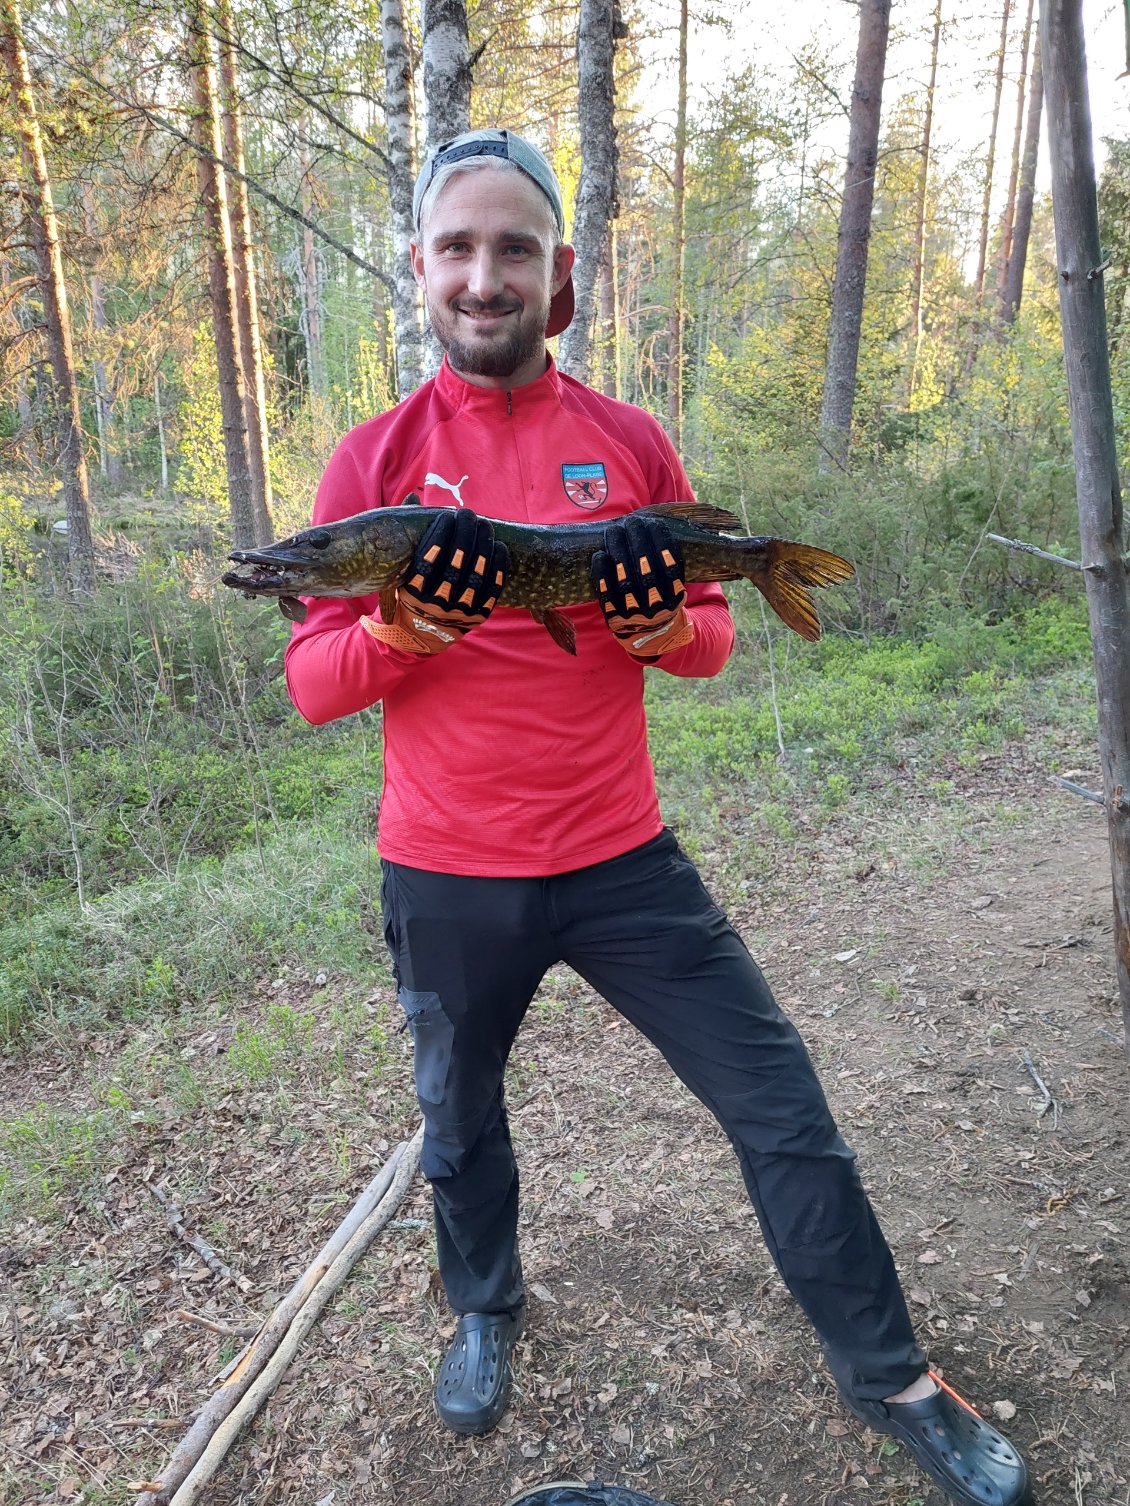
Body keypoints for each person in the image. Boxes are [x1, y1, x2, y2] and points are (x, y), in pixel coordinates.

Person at [284, 128, 1033, 1506]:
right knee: (456, 1122)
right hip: (446, 871)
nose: (484, 273)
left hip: (624, 860)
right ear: (421, 272)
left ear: (555, 273)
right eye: (458, 248)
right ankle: (485, 1304)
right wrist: (404, 627)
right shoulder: (372, 467)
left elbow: (703, 643)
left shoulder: (623, 443)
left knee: (783, 1111)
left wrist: (649, 624)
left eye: (513, 247)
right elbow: (314, 682)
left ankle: (896, 1379)